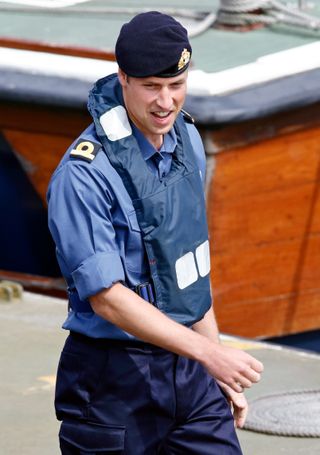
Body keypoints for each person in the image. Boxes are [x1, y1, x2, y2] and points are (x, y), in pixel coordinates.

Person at [47, 11, 264, 454]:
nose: (165, 102)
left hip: (190, 372)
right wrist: (211, 356)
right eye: (151, 86)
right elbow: (106, 296)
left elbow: (189, 268)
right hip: (112, 383)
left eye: (176, 85)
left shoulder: (189, 145)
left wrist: (214, 364)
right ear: (123, 79)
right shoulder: (83, 176)